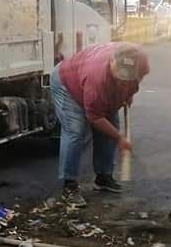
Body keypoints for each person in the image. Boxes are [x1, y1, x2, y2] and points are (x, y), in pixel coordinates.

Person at [50, 42, 149, 203]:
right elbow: (95, 118)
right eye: (120, 76)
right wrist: (119, 138)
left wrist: (129, 93)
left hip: (99, 86)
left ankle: (103, 177)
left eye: (128, 77)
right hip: (66, 83)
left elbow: (138, 77)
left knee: (111, 127)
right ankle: (69, 185)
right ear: (112, 62)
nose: (123, 81)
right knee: (75, 130)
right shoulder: (96, 77)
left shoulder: (141, 60)